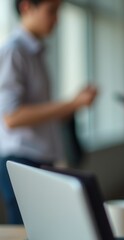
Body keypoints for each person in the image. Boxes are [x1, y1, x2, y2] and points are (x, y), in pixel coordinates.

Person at [0, 0, 97, 224]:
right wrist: (72, 104)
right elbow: (12, 117)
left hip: (37, 159)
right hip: (21, 160)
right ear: (26, 7)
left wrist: (75, 103)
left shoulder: (35, 52)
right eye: (51, 11)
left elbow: (40, 114)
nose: (57, 19)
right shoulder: (13, 52)